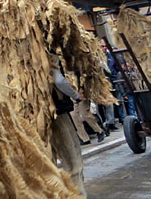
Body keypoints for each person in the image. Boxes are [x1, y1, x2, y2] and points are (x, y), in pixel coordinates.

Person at [50, 55, 87, 197]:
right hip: (57, 114)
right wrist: (75, 95)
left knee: (48, 160)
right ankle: (78, 194)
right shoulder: (47, 54)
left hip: (34, 116)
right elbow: (59, 81)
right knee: (72, 157)